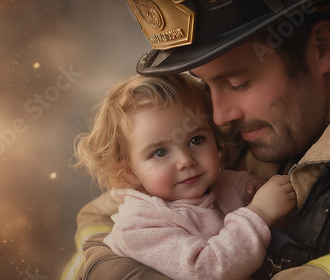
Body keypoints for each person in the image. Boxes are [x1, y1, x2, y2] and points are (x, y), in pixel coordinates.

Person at [62, 0, 330, 279]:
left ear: (321, 47)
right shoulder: (226, 132)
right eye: (206, 85)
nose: (217, 117)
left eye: (237, 83)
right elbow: (100, 218)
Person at [70, 73, 296, 280]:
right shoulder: (141, 226)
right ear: (130, 172)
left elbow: (233, 187)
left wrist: (251, 188)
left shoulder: (220, 181)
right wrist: (259, 214)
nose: (185, 161)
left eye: (196, 140)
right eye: (160, 152)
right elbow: (206, 270)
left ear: (215, 139)